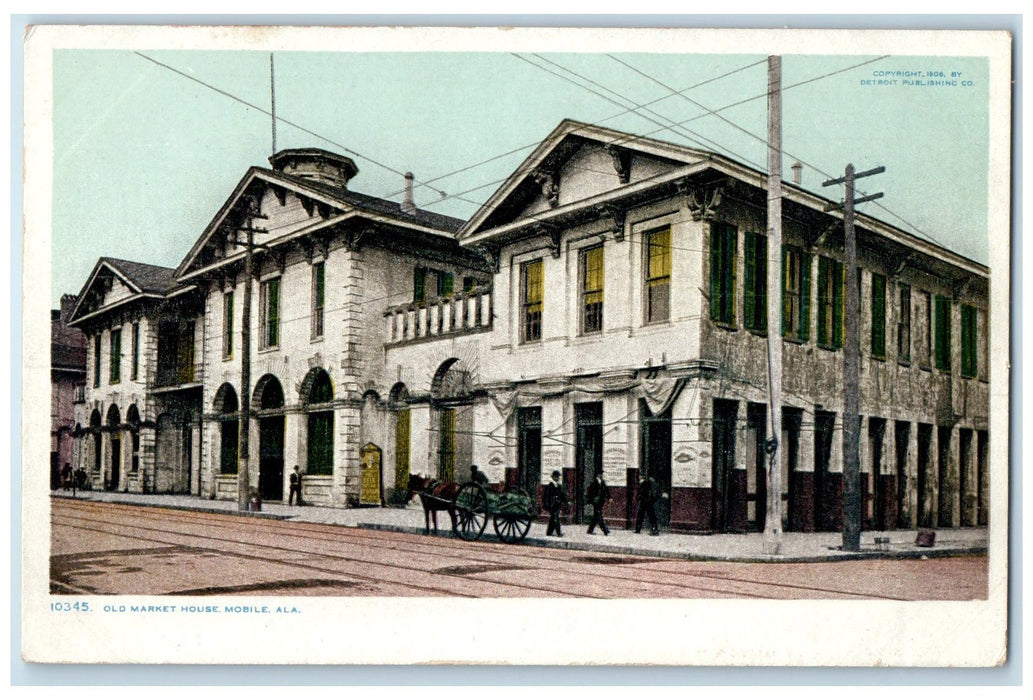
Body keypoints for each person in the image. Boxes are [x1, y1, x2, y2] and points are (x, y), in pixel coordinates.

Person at [543, 470, 567, 537]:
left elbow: (562, 495)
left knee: (553, 518)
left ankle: (549, 532)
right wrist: (547, 505)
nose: (557, 478)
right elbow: (546, 497)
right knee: (556, 518)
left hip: (557, 504)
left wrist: (566, 501)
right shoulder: (549, 486)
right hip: (552, 505)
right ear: (553, 477)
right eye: (556, 477)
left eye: (558, 477)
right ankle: (558, 533)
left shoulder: (559, 486)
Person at [586, 470, 610, 535]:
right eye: (600, 474)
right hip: (596, 502)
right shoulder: (594, 482)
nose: (601, 475)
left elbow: (606, 490)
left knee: (596, 516)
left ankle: (590, 530)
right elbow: (590, 492)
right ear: (597, 475)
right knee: (599, 515)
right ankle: (605, 530)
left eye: (601, 474)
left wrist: (609, 497)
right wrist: (591, 500)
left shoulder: (602, 482)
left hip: (601, 501)